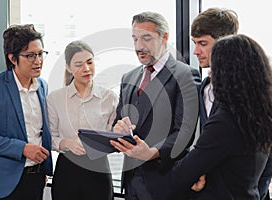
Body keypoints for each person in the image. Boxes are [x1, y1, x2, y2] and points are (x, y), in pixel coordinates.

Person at [110, 11, 201, 200]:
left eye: (146, 38)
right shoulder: (129, 78)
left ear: (164, 37)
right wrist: (118, 128)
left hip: (167, 183)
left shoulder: (185, 75)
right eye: (135, 39)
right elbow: (120, 120)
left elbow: (185, 132)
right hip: (131, 182)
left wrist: (152, 153)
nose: (139, 46)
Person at [169, 34, 272, 199]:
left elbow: (180, 176)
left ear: (226, 74)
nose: (211, 75)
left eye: (214, 69)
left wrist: (195, 178)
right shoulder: (262, 114)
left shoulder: (225, 122)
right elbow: (265, 174)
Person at [191, 8, 272, 199]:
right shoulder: (203, 87)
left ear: (225, 42)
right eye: (194, 43)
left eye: (203, 43)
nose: (196, 51)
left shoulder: (257, 90)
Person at [0, 24, 53, 199]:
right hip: (1, 182)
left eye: (40, 54)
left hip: (36, 177)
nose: (38, 60)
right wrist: (22, 148)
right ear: (13, 58)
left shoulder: (42, 87)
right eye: (30, 55)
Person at [46, 40, 118, 200]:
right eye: (78, 64)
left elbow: (116, 138)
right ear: (68, 67)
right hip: (67, 169)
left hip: (99, 169)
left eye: (90, 62)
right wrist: (67, 143)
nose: (86, 69)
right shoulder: (55, 98)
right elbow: (49, 137)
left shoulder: (109, 97)